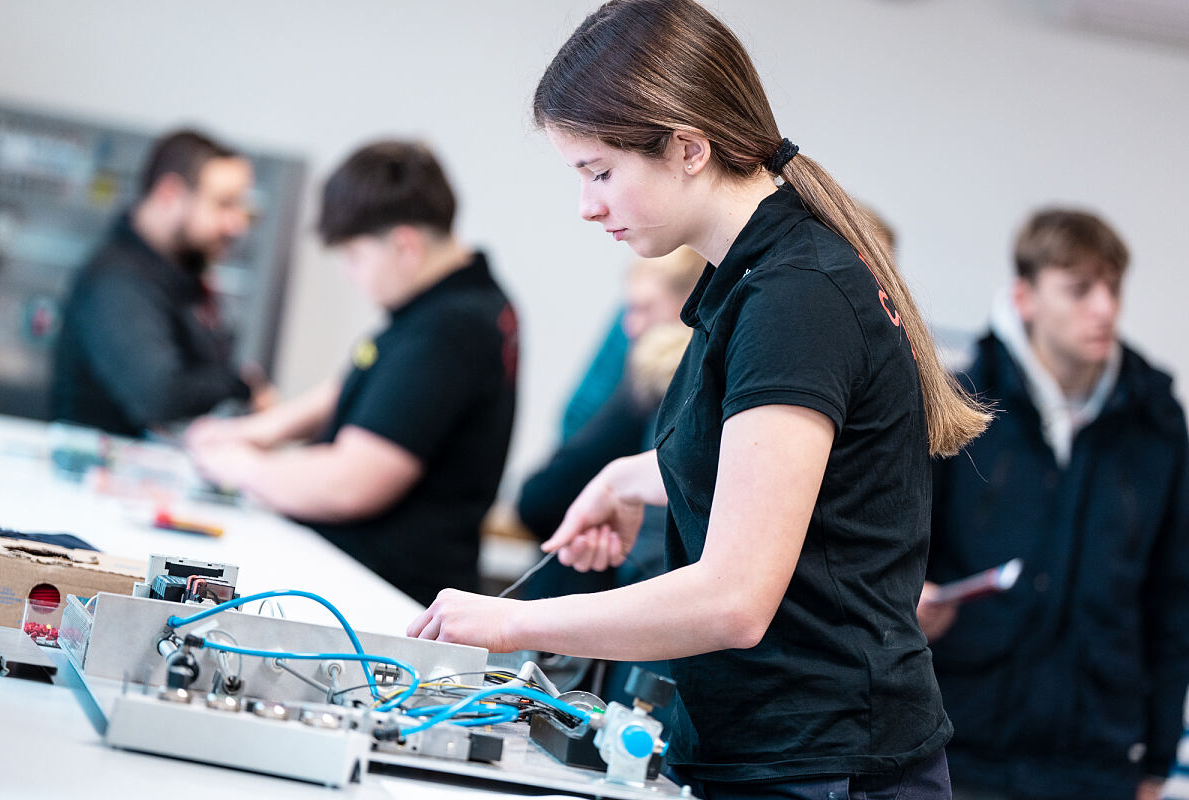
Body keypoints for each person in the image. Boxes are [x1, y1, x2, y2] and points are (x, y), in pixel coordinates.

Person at [407, 1, 990, 797]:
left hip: (825, 765)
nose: (587, 205)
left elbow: (734, 599)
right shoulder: (759, 276)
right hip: (775, 752)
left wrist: (510, 622)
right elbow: (777, 467)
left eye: (599, 172)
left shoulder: (796, 298)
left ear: (688, 147)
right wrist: (628, 478)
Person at [919, 209, 1189, 800]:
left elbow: (1172, 599)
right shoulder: (960, 405)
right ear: (1026, 297)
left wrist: (1157, 759)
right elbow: (905, 558)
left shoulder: (1157, 424)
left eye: (1113, 287)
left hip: (1097, 758)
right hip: (960, 749)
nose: (1105, 308)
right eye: (1079, 289)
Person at [187, 141, 519, 606]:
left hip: (384, 594)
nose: (349, 272)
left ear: (405, 245)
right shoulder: (455, 299)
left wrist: (238, 466)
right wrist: (251, 431)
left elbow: (351, 483)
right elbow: (364, 384)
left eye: (354, 255)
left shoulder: (450, 328)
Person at [51, 129, 265, 436]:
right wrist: (243, 385)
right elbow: (160, 395)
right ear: (169, 194)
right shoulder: (117, 281)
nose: (238, 224)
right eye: (224, 204)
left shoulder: (180, 272)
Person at [559, 248, 703, 441]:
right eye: (631, 309)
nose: (630, 328)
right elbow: (581, 417)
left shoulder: (694, 369)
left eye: (646, 308)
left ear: (690, 299)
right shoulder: (644, 361)